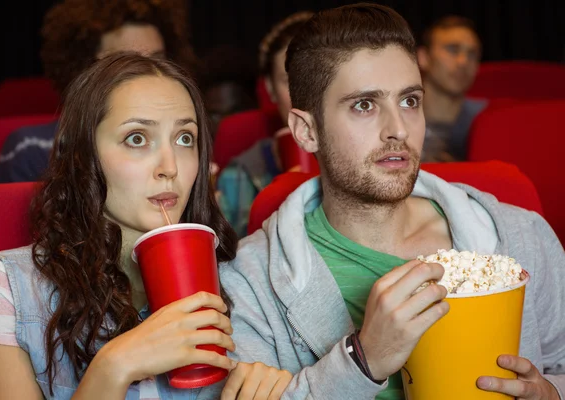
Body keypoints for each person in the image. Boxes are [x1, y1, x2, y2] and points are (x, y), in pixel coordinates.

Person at [219, 3, 565, 399]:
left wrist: (551, 393)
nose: (398, 129)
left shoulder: (523, 236)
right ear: (306, 130)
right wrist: (363, 360)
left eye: (410, 101)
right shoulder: (247, 283)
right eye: (364, 105)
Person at [0, 53, 292, 399]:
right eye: (137, 138)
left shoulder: (239, 279)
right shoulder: (8, 287)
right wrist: (114, 367)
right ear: (83, 156)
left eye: (185, 138)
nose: (169, 167)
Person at [0, 0, 197, 184]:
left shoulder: (182, 141)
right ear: (84, 69)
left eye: (157, 59)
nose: (148, 73)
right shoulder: (32, 148)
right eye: (126, 63)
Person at [216, 11, 314, 237]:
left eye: (315, 76)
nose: (305, 92)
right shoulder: (239, 175)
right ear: (270, 89)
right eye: (289, 80)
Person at [417, 16, 487, 162]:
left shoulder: (489, 119)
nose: (463, 61)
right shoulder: (396, 119)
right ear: (423, 57)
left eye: (472, 53)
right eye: (452, 50)